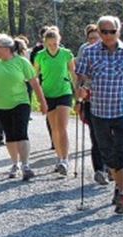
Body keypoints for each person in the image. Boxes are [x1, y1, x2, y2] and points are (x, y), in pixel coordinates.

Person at [76, 15, 123, 214]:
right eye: (104, 32)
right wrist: (80, 91)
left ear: (119, 31)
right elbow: (81, 77)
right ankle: (118, 186)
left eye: (112, 31)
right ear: (98, 32)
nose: (108, 35)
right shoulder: (89, 53)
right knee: (108, 154)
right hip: (98, 111)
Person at [0, 35, 47, 181]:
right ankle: (15, 164)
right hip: (1, 104)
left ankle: (25, 165)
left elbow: (34, 83)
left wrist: (42, 101)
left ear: (6, 49)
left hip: (21, 102)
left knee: (21, 132)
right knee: (10, 136)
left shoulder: (22, 62)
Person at [33, 28, 78, 175]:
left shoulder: (66, 54)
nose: (53, 46)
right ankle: (59, 158)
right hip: (48, 93)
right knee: (54, 128)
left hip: (64, 91)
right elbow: (34, 76)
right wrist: (39, 97)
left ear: (59, 41)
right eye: (50, 44)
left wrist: (77, 92)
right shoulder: (40, 56)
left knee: (62, 126)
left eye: (55, 44)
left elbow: (73, 73)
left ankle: (65, 160)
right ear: (45, 43)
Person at [76, 23, 109, 183]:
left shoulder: (112, 52)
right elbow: (79, 78)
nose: (93, 41)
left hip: (110, 101)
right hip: (90, 100)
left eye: (96, 38)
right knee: (96, 136)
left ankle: (110, 166)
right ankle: (100, 170)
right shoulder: (85, 53)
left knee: (111, 136)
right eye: (90, 39)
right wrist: (78, 99)